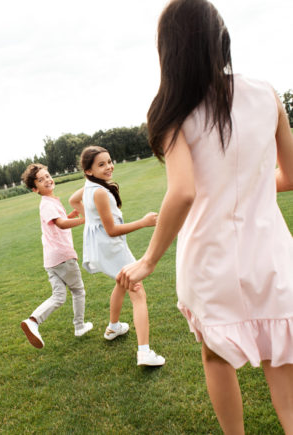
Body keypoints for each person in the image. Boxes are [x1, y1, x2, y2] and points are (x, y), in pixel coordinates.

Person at [117, 0, 293, 432]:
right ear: (221, 38)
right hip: (270, 252)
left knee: (215, 356)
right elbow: (289, 175)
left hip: (210, 259)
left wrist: (149, 259)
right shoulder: (266, 94)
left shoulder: (174, 110)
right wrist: (246, 188)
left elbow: (183, 191)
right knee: (281, 356)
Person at [69, 146, 165, 367]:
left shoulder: (90, 186)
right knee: (138, 292)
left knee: (122, 283)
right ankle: (144, 352)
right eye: (101, 164)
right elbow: (111, 230)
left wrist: (90, 219)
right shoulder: (100, 192)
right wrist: (143, 222)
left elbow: (74, 201)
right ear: (89, 171)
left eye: (109, 161)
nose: (109, 167)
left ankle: (113, 327)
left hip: (103, 247)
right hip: (111, 247)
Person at [20, 163, 93, 349]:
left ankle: (33, 321)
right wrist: (83, 220)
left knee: (59, 296)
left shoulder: (50, 203)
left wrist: (71, 215)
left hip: (51, 260)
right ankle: (79, 326)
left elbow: (57, 223)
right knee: (78, 291)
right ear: (35, 188)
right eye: (41, 179)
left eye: (48, 175)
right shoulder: (46, 203)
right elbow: (60, 224)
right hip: (63, 256)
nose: (47, 180)